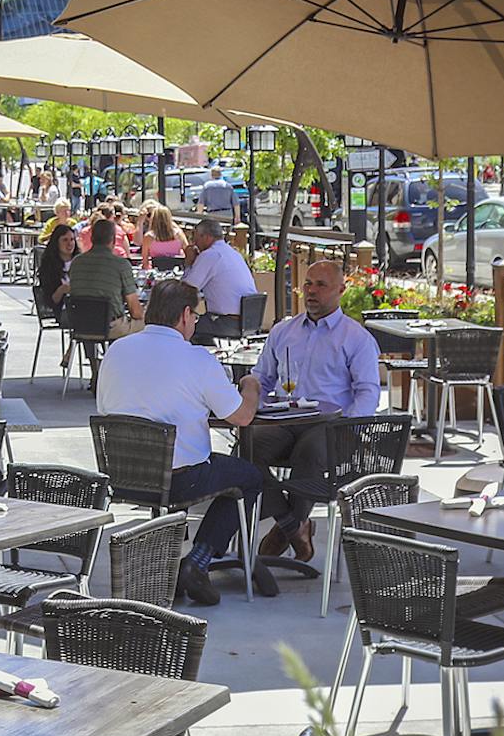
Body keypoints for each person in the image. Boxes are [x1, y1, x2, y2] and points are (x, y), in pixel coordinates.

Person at [94, 281, 281, 605]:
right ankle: (198, 561)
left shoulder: (116, 350)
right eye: (195, 315)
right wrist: (251, 386)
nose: (195, 321)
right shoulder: (197, 359)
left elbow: (105, 409)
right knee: (250, 476)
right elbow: (241, 417)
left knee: (207, 465)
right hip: (179, 480)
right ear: (184, 315)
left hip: (123, 476)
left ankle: (177, 564)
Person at [250, 259, 382, 558]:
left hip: (330, 423)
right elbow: (262, 377)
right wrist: (252, 407)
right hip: (284, 418)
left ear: (341, 290)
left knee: (309, 454)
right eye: (308, 284)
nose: (311, 291)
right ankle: (293, 525)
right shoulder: (284, 331)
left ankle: (286, 526)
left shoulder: (356, 338)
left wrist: (348, 429)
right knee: (246, 450)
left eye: (321, 285)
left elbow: (367, 391)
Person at [66, 218, 144, 338]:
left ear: (92, 238)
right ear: (113, 240)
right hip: (110, 328)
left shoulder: (76, 262)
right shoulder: (121, 265)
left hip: (80, 326)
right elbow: (135, 311)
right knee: (149, 325)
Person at [184, 218, 258, 342]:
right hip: (248, 321)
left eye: (195, 238)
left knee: (182, 326)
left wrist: (188, 263)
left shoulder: (210, 255)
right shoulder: (233, 253)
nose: (194, 243)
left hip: (226, 323)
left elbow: (186, 289)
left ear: (206, 237)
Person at [34, 224, 79, 312]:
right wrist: (61, 290)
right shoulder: (49, 267)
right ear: (56, 242)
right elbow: (50, 302)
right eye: (65, 240)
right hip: (63, 311)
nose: (69, 244)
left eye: (72, 239)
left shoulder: (81, 262)